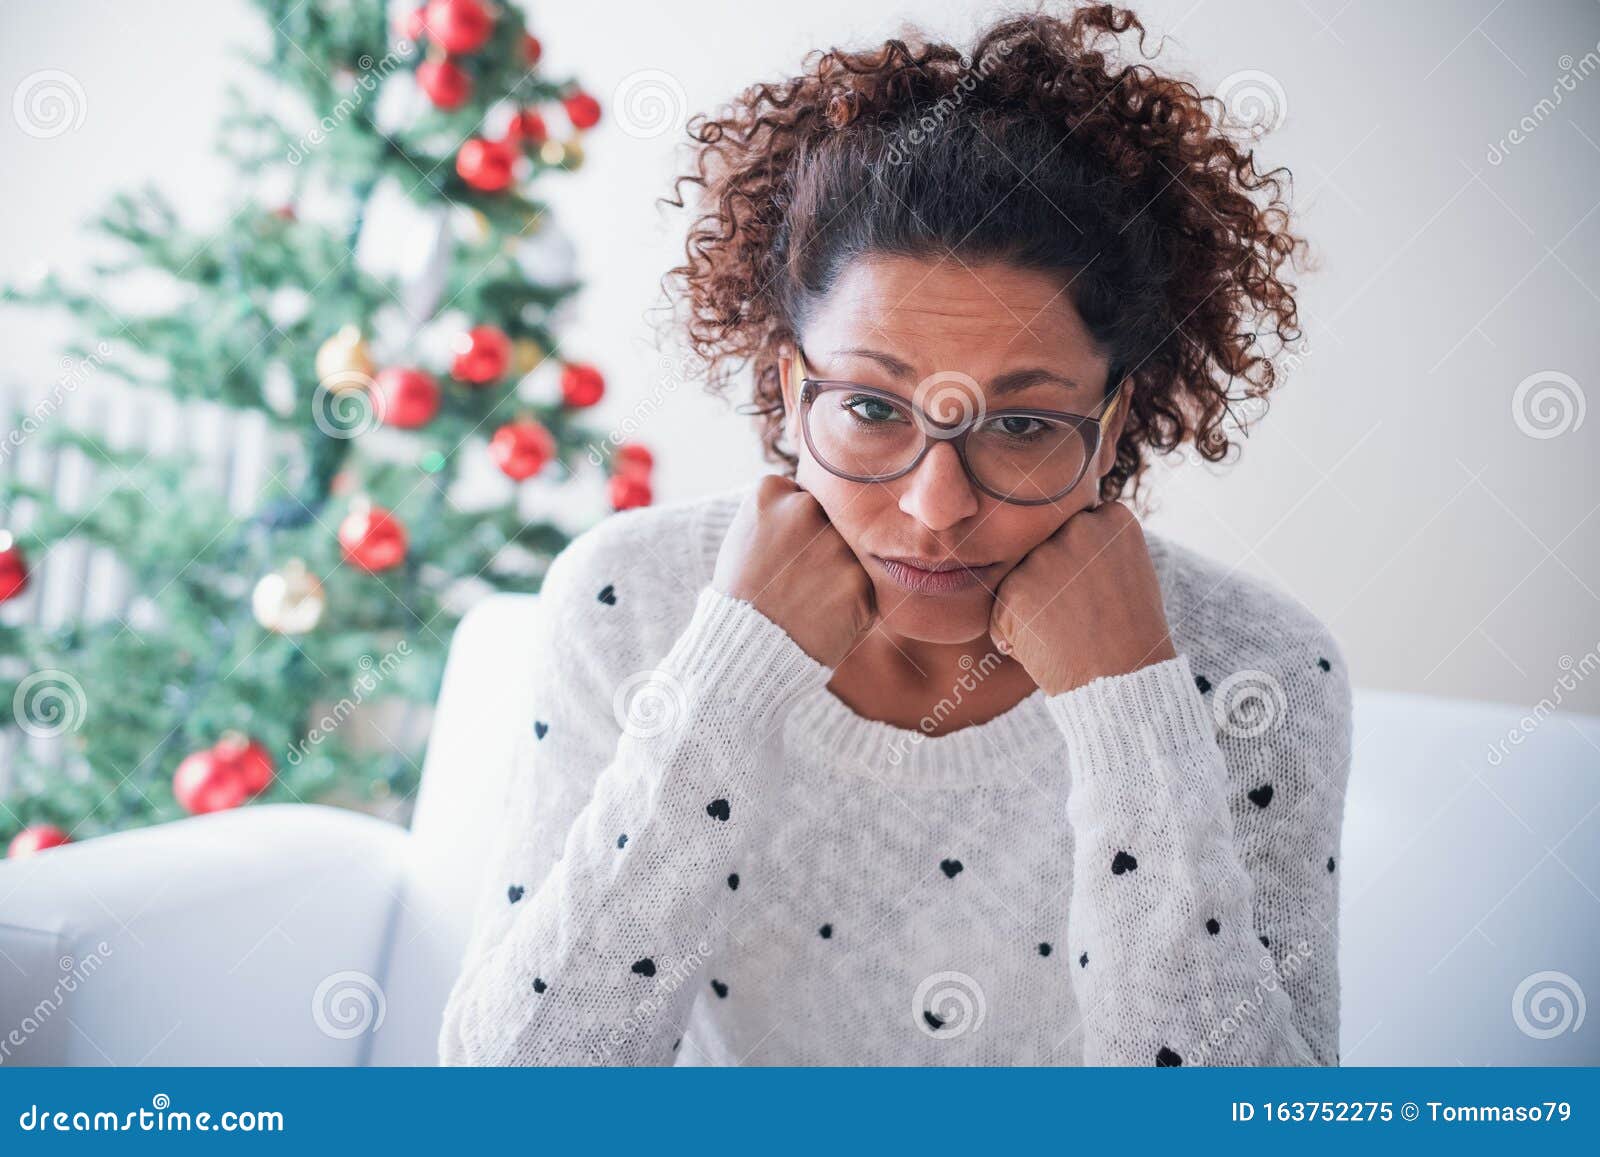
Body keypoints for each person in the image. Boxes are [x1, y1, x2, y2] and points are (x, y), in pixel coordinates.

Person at [439, 3, 1351, 1067]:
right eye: (873, 408)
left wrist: (1131, 712)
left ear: (1112, 423)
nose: (935, 505)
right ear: (790, 391)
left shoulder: (1257, 667)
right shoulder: (626, 601)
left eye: (1018, 424)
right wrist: (726, 680)